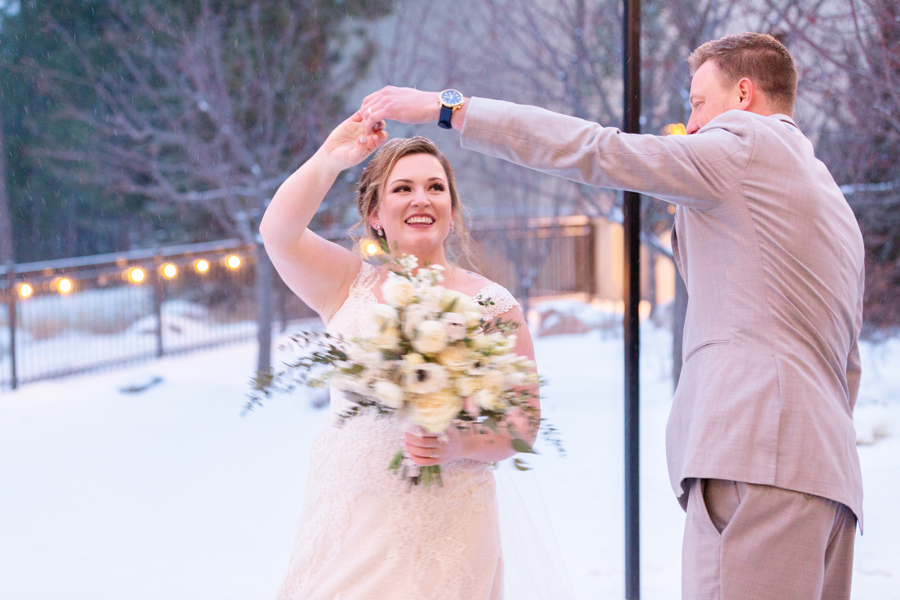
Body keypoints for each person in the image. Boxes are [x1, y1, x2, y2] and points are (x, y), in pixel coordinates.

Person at [359, 32, 865, 600]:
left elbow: (598, 149)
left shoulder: (742, 147)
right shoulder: (833, 205)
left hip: (756, 460)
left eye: (698, 103)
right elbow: (848, 365)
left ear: (744, 94)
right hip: (829, 479)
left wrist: (447, 108)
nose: (691, 125)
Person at [259, 111, 539, 599]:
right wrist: (330, 158)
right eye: (402, 188)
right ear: (375, 214)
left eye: (435, 187)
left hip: (447, 525)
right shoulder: (347, 284)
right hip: (350, 516)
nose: (421, 199)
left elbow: (522, 424)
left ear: (452, 207)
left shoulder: (492, 303)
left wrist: (458, 443)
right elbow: (278, 233)